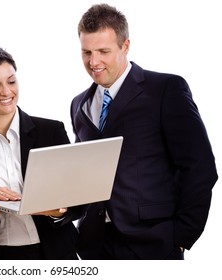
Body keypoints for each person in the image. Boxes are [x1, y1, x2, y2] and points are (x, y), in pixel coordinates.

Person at [70, 4, 218, 260]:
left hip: (152, 244)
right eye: (86, 52)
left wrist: (181, 237)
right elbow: (83, 176)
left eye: (103, 51)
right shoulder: (79, 104)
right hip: (95, 246)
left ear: (125, 46)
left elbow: (199, 166)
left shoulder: (165, 89)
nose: (93, 62)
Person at [0, 46, 82, 260]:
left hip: (54, 252)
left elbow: (78, 197)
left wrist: (58, 210)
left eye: (11, 81)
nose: (6, 92)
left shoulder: (51, 131)